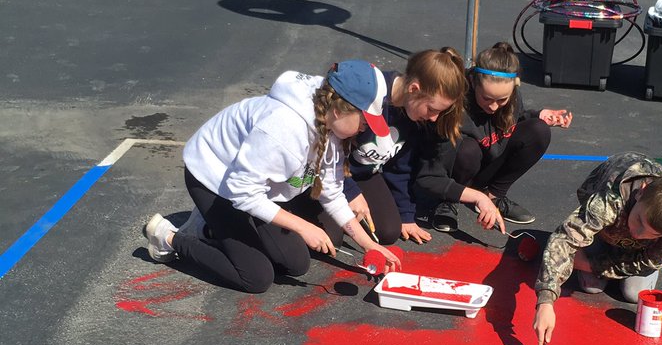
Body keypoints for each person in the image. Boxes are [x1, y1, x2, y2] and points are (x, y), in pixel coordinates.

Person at [141, 61, 401, 294]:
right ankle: (169, 237)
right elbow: (242, 192)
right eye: (365, 119)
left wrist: (369, 245)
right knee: (255, 277)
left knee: (296, 264)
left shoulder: (333, 130)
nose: (366, 127)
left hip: (257, 188)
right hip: (214, 179)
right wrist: (302, 226)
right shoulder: (283, 129)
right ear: (339, 110)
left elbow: (332, 192)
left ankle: (209, 228)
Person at [533, 152, 662, 345]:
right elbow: (563, 240)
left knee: (634, 292)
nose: (638, 234)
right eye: (639, 221)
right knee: (591, 287)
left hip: (632, 249)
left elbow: (650, 262)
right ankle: (600, 253)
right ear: (641, 192)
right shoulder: (609, 201)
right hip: (606, 229)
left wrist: (591, 264)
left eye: (652, 234)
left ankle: (595, 263)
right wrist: (546, 300)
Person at [415, 41, 572, 234]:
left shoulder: (511, 96)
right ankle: (448, 200)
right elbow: (431, 168)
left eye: (502, 100)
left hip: (488, 162)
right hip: (456, 167)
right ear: (473, 83)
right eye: (487, 99)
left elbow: (516, 117)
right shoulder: (455, 103)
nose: (494, 107)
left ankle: (493, 195)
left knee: (539, 131)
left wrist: (537, 115)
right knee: (468, 150)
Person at [340, 47, 482, 246]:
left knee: (389, 231)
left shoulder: (412, 114)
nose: (434, 118)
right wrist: (350, 192)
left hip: (365, 173)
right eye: (432, 109)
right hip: (337, 172)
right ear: (414, 89)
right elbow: (330, 152)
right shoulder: (370, 97)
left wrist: (406, 215)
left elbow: (401, 167)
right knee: (332, 237)